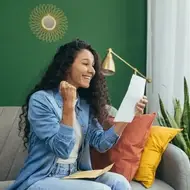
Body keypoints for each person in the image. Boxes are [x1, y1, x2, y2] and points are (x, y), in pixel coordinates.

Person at [7, 39, 148, 190]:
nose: (93, 71)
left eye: (93, 66)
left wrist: (128, 115)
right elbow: (62, 149)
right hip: (42, 178)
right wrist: (68, 107)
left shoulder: (84, 105)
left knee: (119, 182)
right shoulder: (41, 100)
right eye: (86, 64)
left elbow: (101, 143)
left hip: (74, 173)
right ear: (67, 66)